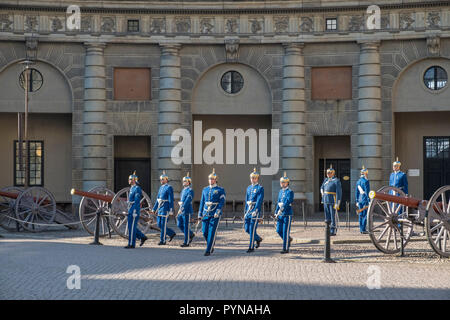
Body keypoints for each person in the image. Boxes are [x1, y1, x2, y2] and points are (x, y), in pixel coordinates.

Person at [198, 168, 226, 256]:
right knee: (204, 232)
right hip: (206, 213)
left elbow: (222, 201)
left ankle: (208, 250)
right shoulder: (205, 189)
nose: (211, 180)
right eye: (210, 179)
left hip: (215, 214)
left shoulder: (220, 189)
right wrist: (200, 213)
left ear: (216, 180)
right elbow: (202, 202)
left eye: (212, 179)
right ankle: (211, 244)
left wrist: (218, 210)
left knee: (211, 232)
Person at [124, 171, 148, 249]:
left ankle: (131, 244)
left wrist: (134, 211)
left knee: (132, 228)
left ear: (134, 180)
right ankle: (142, 237)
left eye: (130, 179)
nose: (129, 180)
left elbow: (137, 200)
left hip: (134, 209)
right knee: (131, 227)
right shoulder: (132, 188)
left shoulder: (137, 188)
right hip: (131, 208)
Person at [152, 171, 176, 245]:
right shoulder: (160, 188)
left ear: (166, 180)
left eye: (162, 179)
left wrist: (171, 209)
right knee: (159, 224)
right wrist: (154, 208)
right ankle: (171, 233)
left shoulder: (169, 187)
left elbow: (170, 199)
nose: (161, 180)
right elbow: (157, 199)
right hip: (160, 208)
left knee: (163, 225)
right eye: (160, 179)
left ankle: (163, 240)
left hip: (165, 208)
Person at [244, 168, 264, 253]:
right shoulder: (248, 188)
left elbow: (259, 201)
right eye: (252, 178)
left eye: (254, 178)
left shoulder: (260, 188)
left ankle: (251, 247)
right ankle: (258, 238)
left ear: (257, 179)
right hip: (248, 210)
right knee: (247, 229)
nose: (253, 179)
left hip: (255, 211)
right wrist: (245, 211)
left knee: (252, 229)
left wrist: (256, 211)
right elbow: (246, 200)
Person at [275, 172, 294, 254]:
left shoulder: (290, 192)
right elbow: (278, 202)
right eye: (281, 182)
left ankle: (285, 248)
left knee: (285, 231)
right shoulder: (280, 192)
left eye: (284, 182)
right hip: (280, 214)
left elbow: (288, 201)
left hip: (287, 214)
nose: (282, 184)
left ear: (287, 183)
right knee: (278, 230)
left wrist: (282, 209)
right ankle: (288, 239)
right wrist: (276, 212)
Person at [320, 165, 342, 236]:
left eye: (330, 173)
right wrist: (323, 194)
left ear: (333, 173)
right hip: (325, 200)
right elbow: (322, 187)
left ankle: (333, 230)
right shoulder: (326, 180)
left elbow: (338, 192)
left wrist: (337, 203)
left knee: (333, 216)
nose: (328, 174)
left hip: (332, 200)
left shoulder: (336, 181)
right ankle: (328, 229)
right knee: (327, 216)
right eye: (327, 173)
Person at [177, 172, 195, 247]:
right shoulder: (183, 190)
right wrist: (180, 209)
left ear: (189, 182)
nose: (184, 182)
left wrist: (183, 207)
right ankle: (190, 234)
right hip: (181, 209)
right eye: (183, 181)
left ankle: (186, 242)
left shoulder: (190, 190)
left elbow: (188, 200)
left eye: (185, 181)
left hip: (186, 210)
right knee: (179, 224)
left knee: (186, 225)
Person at [355, 166, 370, 234]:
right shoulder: (366, 181)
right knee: (365, 214)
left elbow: (356, 192)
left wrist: (357, 200)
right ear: (365, 174)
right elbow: (367, 192)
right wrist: (369, 200)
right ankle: (363, 229)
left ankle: (361, 228)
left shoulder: (358, 181)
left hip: (360, 199)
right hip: (364, 199)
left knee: (360, 214)